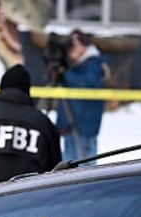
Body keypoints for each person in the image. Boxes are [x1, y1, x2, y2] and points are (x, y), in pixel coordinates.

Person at [55, 30, 108, 164]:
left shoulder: (93, 64)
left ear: (79, 43)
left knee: (85, 169)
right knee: (69, 167)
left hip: (84, 127)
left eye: (72, 45)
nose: (70, 50)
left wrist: (65, 75)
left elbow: (85, 84)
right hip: (71, 125)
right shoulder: (75, 65)